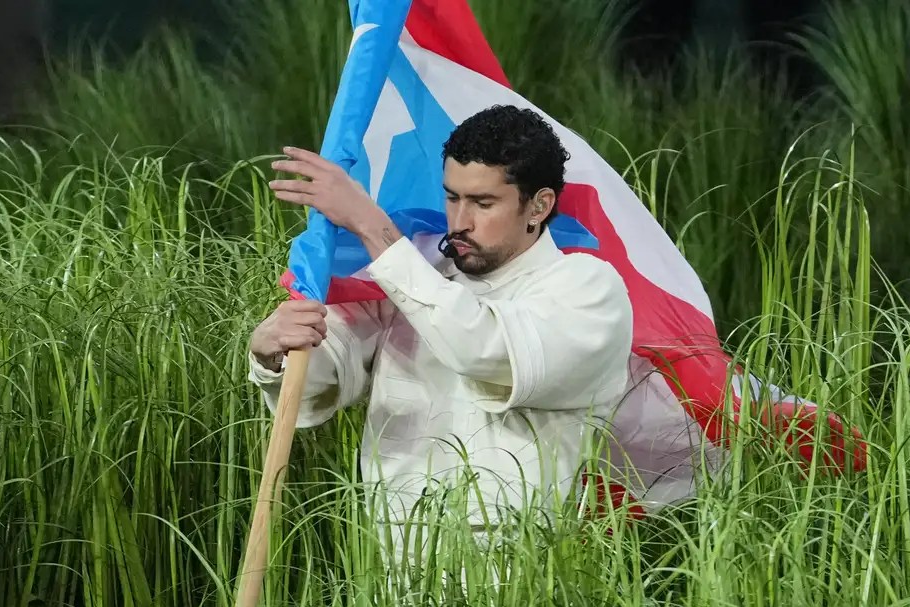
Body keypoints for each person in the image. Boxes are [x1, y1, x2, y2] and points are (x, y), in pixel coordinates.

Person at [247, 105, 635, 567]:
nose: (460, 220)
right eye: (452, 197)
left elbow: (481, 349)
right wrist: (276, 352)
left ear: (539, 205)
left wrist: (371, 226)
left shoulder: (589, 290)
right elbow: (322, 378)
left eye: (483, 203)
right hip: (389, 565)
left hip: (515, 573)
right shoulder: (416, 273)